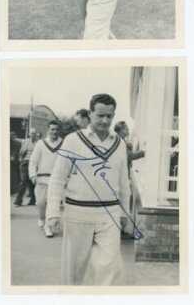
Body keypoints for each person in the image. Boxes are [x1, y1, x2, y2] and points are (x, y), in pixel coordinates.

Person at [46, 94, 130, 285]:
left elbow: (124, 182)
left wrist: (125, 212)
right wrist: (52, 213)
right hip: (77, 212)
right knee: (73, 271)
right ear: (90, 114)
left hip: (109, 214)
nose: (105, 120)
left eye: (109, 116)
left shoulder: (120, 144)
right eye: (100, 115)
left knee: (110, 270)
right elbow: (58, 178)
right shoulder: (72, 140)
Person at [29, 121, 63, 238]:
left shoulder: (63, 143)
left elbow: (67, 162)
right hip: (42, 178)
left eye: (57, 129)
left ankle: (48, 227)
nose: (55, 131)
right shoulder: (41, 143)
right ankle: (42, 217)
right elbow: (33, 161)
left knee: (52, 203)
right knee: (40, 202)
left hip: (57, 179)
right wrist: (33, 175)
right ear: (48, 130)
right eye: (52, 129)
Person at [13, 128, 38, 207]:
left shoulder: (39, 143)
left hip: (34, 164)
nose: (33, 135)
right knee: (24, 181)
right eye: (31, 133)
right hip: (25, 163)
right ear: (29, 134)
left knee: (32, 182)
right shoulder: (25, 141)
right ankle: (18, 201)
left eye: (34, 133)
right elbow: (16, 140)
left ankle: (33, 200)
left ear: (36, 134)